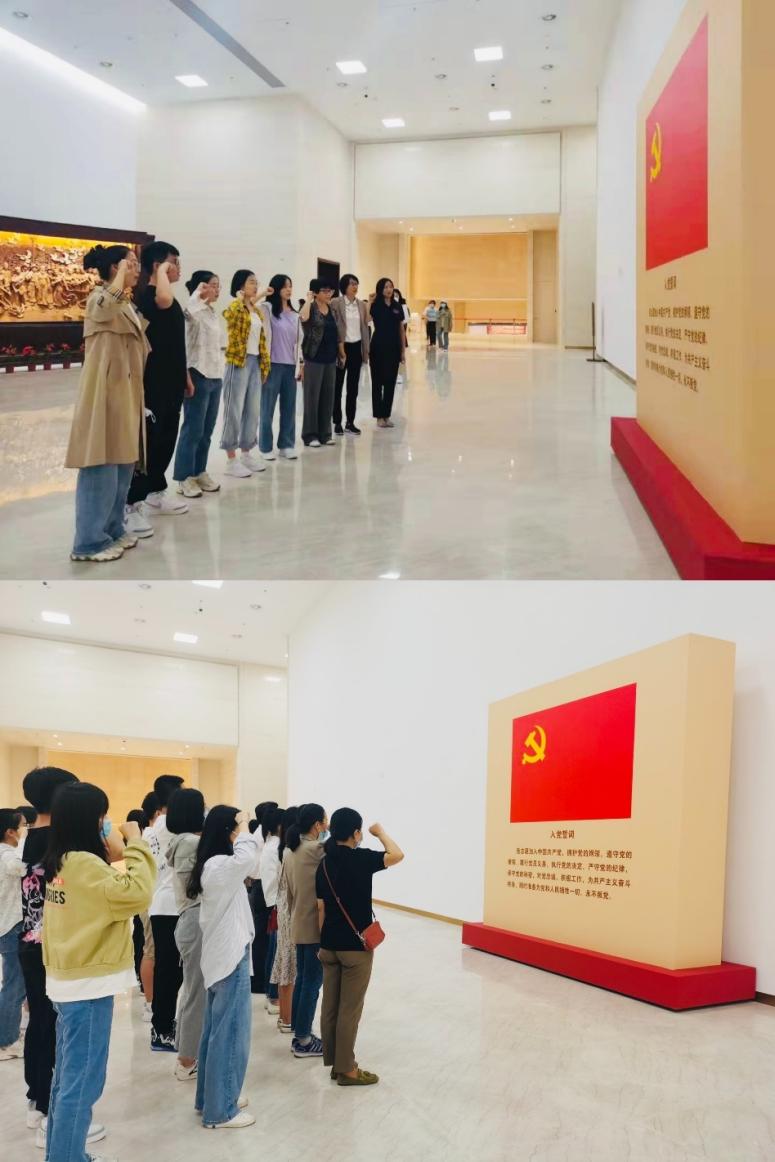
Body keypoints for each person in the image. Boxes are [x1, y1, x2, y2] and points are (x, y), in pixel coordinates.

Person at [42, 782, 155, 1162]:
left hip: (68, 982)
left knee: (67, 1079)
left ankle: (64, 1154)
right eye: (102, 817)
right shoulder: (85, 864)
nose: (106, 823)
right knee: (82, 1083)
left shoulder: (61, 860)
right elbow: (137, 893)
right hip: (86, 989)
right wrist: (135, 843)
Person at [65, 245, 150, 562]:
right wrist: (119, 279)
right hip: (103, 393)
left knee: (122, 462)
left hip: (125, 392)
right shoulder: (99, 297)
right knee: (100, 464)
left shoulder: (125, 302)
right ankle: (88, 542)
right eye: (132, 263)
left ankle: (113, 529)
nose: (137, 269)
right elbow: (103, 309)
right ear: (116, 267)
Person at [317, 812, 404, 1086]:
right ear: (355, 833)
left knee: (330, 1006)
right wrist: (380, 833)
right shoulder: (361, 859)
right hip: (355, 948)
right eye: (361, 831)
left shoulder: (324, 864)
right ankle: (347, 1070)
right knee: (349, 1010)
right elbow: (397, 854)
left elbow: (320, 908)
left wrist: (322, 942)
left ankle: (335, 1064)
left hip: (329, 945)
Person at [18, 766, 79, 1141]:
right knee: (53, 1023)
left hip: (30, 941)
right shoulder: (57, 842)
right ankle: (47, 1105)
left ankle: (37, 1098)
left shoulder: (30, 837)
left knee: (41, 1021)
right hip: (52, 944)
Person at [187, 806, 257, 1129]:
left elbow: (249, 864)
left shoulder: (215, 865)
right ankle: (221, 1110)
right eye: (235, 828)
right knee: (230, 1033)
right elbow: (248, 857)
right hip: (229, 957)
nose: (239, 833)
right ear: (226, 831)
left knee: (216, 1032)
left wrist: (238, 828)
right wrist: (245, 827)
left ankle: (211, 1098)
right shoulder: (219, 865)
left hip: (223, 956)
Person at [125, 241, 192, 531]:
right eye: (172, 262)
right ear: (157, 266)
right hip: (153, 382)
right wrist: (163, 270)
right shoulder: (150, 297)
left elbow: (176, 341)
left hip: (173, 380)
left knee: (166, 437)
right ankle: (131, 504)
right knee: (150, 441)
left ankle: (155, 492)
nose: (177, 268)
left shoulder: (169, 298)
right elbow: (162, 298)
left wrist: (185, 375)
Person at [166, 787, 206, 1082]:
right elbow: (197, 887)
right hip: (195, 920)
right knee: (196, 993)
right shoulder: (191, 843)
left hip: (190, 920)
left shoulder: (181, 842)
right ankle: (187, 1060)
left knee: (193, 991)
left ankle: (187, 1053)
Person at [173, 270, 224, 499]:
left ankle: (199, 471)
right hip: (197, 374)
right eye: (212, 285)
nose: (217, 289)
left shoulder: (211, 313)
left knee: (206, 430)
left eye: (218, 285)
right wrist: (196, 295)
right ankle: (184, 477)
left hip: (215, 375)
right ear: (200, 287)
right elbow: (188, 314)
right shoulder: (192, 311)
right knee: (192, 429)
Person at [284, 802, 328, 1058]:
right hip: (313, 924)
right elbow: (342, 850)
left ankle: (299, 1032)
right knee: (312, 982)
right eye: (325, 821)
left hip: (298, 921)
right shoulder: (314, 849)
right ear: (316, 825)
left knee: (303, 980)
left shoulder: (291, 850)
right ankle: (303, 1040)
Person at [221, 270, 272, 478]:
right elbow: (231, 316)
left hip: (255, 362)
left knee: (252, 410)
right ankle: (230, 458)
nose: (255, 285)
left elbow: (261, 340)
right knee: (233, 409)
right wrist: (242, 298)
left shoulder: (255, 310)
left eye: (256, 282)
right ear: (240, 285)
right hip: (238, 362)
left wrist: (264, 366)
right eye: (251, 282)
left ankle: (246, 452)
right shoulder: (234, 306)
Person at [148, 774, 185, 1051]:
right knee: (169, 972)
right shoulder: (169, 825)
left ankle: (163, 1025)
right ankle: (161, 1030)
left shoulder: (155, 827)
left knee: (168, 970)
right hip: (170, 905)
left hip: (162, 904)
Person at [258, 274, 302, 461]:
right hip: (272, 366)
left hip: (290, 366)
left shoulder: (295, 315)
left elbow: (299, 343)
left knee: (289, 408)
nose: (288, 289)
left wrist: (301, 364)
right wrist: (264, 293)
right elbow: (251, 306)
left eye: (290, 286)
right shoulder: (267, 309)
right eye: (284, 286)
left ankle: (286, 444)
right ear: (276, 288)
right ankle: (265, 447)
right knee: (267, 408)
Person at [0, 808, 26, 1061]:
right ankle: (6, 1041)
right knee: (14, 985)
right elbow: (22, 869)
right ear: (10, 832)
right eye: (23, 826)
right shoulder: (8, 856)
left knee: (12, 983)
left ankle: (9, 1033)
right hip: (11, 926)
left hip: (5, 925)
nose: (25, 831)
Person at [270, 806, 299, 1033]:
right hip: (290, 911)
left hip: (284, 909)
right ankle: (288, 1019)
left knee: (284, 963)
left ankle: (284, 1017)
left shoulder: (284, 849)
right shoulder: (292, 852)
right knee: (289, 966)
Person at [300, 281, 338, 447]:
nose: (328, 294)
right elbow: (303, 318)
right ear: (315, 292)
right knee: (312, 397)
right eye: (324, 291)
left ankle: (325, 434)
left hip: (330, 358)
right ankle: (310, 435)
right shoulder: (310, 307)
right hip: (313, 357)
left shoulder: (331, 309)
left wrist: (340, 352)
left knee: (327, 397)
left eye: (330, 291)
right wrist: (308, 299)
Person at [331, 273, 370, 436]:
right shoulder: (336, 302)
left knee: (353, 388)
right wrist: (339, 349)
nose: (355, 286)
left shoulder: (361, 305)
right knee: (337, 387)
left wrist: (365, 351)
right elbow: (333, 326)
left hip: (356, 348)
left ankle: (350, 422)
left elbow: (366, 323)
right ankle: (337, 422)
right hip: (341, 347)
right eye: (352, 283)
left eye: (356, 283)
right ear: (344, 286)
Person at [247, 801, 278, 994]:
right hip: (262, 887)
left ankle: (261, 981)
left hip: (259, 886)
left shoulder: (261, 834)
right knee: (262, 938)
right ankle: (260, 982)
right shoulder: (262, 836)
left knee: (262, 938)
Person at [369, 278, 405, 428]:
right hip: (377, 347)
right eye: (385, 287)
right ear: (380, 289)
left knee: (390, 383)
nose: (389, 290)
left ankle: (386, 415)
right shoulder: (375, 305)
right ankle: (379, 416)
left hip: (393, 348)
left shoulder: (397, 306)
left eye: (390, 287)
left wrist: (402, 351)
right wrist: (370, 302)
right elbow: (366, 319)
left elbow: (401, 329)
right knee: (377, 382)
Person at [138, 791, 160, 1019]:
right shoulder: (152, 835)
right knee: (151, 950)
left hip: (153, 900)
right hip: (152, 901)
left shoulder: (148, 835)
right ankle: (150, 1002)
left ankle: (153, 1001)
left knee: (153, 951)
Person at [258, 806, 282, 1016]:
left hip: (272, 901)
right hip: (277, 903)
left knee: (272, 950)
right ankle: (273, 995)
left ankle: (270, 994)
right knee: (275, 952)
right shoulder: (275, 848)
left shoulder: (269, 846)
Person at [393, 288, 411, 385]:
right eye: (394, 295)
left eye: (397, 295)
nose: (395, 297)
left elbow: (405, 323)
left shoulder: (403, 307)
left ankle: (398, 375)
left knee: (398, 356)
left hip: (398, 335)